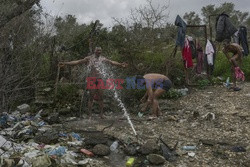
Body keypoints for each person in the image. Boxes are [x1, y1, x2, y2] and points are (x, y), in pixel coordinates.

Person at [59, 47, 128, 118]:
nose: (99, 51)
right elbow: (78, 62)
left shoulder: (103, 59)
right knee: (91, 97)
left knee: (101, 97)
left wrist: (120, 64)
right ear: (94, 51)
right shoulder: (89, 58)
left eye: (100, 50)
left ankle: (101, 114)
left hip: (100, 80)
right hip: (92, 80)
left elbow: (112, 62)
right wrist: (65, 63)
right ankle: (90, 115)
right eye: (97, 50)